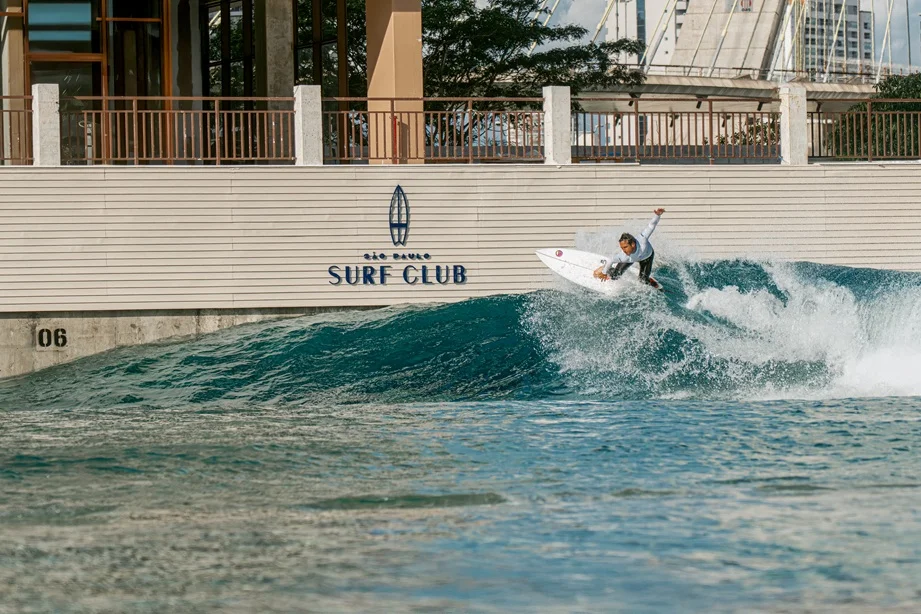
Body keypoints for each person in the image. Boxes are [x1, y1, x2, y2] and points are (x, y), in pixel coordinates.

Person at [593, 208, 665, 286]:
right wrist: (603, 272)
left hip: (647, 257)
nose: (623, 250)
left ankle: (647, 280)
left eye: (625, 247)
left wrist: (657, 215)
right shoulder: (624, 256)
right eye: (622, 248)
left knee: (643, 281)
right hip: (631, 259)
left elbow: (651, 226)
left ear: (633, 244)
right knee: (615, 276)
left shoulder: (642, 239)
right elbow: (611, 260)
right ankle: (606, 267)